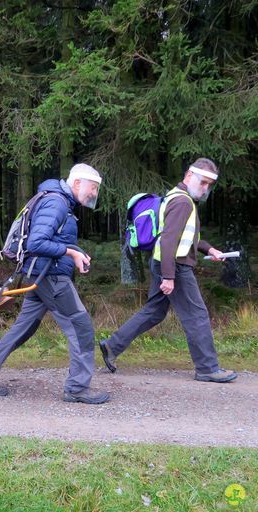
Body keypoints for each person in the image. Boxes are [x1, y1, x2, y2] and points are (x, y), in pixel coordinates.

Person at [0, 164, 110, 404]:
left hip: (41, 275)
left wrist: (75, 254)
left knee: (24, 328)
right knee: (81, 327)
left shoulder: (59, 201)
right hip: (51, 277)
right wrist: (70, 253)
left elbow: (51, 241)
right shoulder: (57, 203)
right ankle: (77, 388)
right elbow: (37, 243)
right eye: (93, 187)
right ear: (77, 183)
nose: (94, 193)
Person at [99, 158, 237, 383]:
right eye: (203, 182)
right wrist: (169, 276)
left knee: (155, 311)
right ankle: (207, 368)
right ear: (189, 176)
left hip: (163, 262)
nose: (205, 189)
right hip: (176, 266)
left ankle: (112, 345)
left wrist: (209, 249)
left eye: (209, 185)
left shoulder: (175, 197)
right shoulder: (183, 203)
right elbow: (168, 241)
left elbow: (187, 237)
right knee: (196, 316)